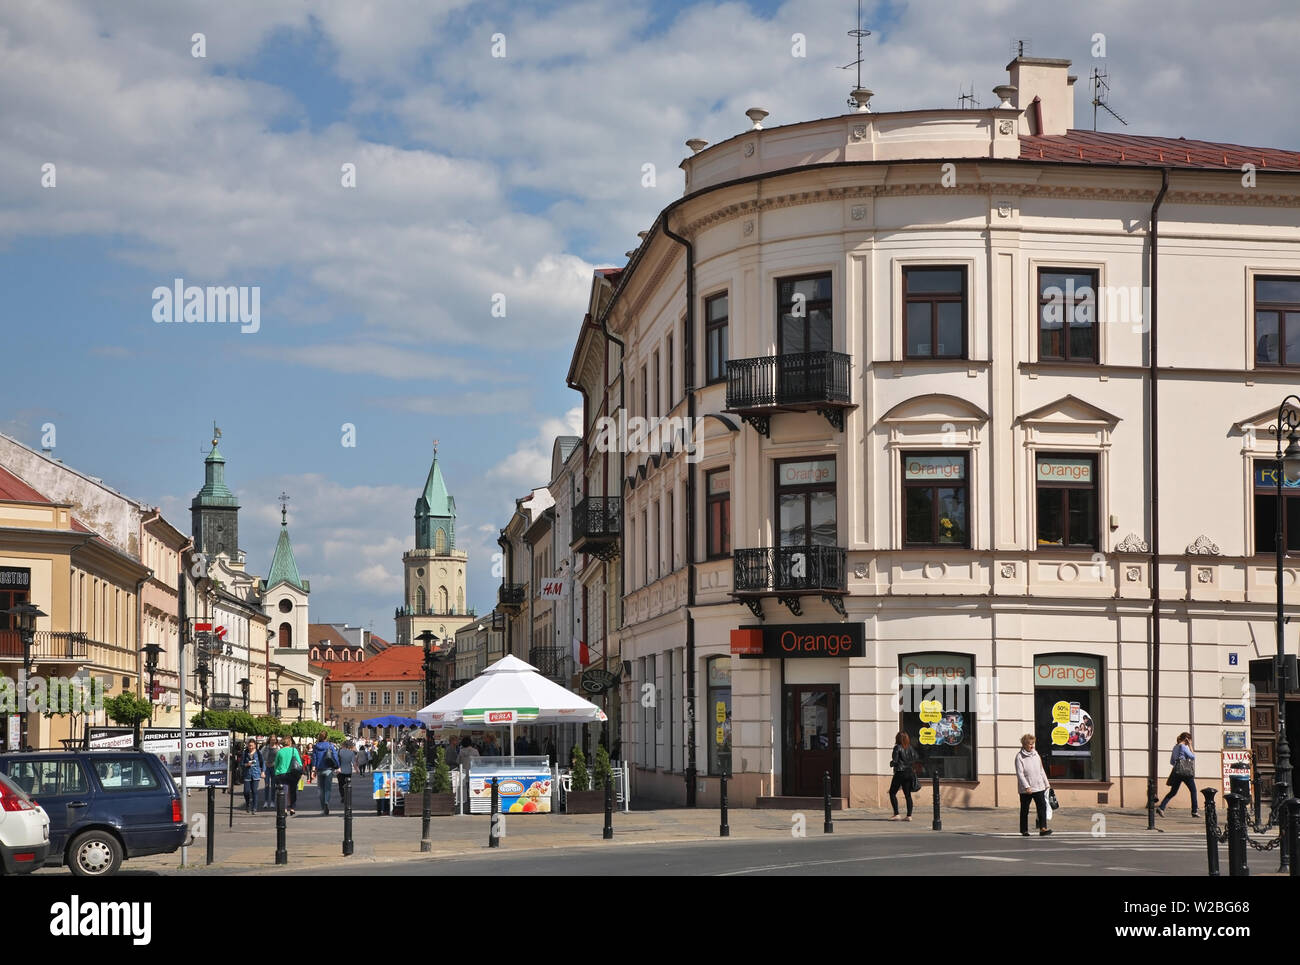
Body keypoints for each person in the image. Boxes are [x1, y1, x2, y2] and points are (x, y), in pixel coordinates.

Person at [1015, 734, 1053, 837]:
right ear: (1024, 744)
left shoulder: (1036, 755)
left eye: (1033, 744)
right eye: (1030, 744)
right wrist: (1027, 787)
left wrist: (1046, 783)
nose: (1032, 746)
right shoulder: (1019, 757)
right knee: (1025, 810)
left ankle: (1043, 828)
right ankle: (1024, 830)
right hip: (1026, 789)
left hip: (1039, 786)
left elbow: (1041, 770)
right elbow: (1020, 774)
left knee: (1042, 807)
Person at [1157, 732, 1199, 818]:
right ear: (1186, 739)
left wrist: (1179, 764)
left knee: (1173, 792)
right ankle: (1194, 811)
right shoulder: (1183, 747)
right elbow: (1193, 757)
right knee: (1193, 791)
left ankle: (1161, 807)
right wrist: (1190, 746)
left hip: (1177, 772)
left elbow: (1172, 762)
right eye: (1189, 740)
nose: (1189, 742)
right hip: (1186, 773)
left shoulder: (1175, 747)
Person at [888, 731, 918, 821]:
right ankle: (909, 816)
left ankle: (896, 814)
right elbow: (916, 757)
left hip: (900, 772)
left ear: (898, 739)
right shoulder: (910, 748)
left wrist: (891, 763)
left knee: (892, 793)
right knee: (907, 795)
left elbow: (895, 760)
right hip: (909, 773)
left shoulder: (897, 747)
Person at [313, 732, 341, 815]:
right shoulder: (330, 745)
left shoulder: (316, 746)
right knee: (327, 788)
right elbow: (335, 756)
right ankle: (326, 802)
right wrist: (338, 766)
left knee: (321, 789)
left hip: (319, 769)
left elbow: (314, 758)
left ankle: (322, 807)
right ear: (326, 737)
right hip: (328, 769)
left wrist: (313, 769)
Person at [273, 739, 303, 815]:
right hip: (292, 773)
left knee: (283, 792)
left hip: (281, 774)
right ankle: (292, 808)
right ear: (290, 743)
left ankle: (284, 809)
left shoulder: (280, 751)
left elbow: (276, 763)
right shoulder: (294, 750)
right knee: (292, 791)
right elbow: (299, 763)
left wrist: (276, 772)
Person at [240, 740, 264, 814]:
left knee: (254, 791)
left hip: (256, 773)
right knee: (246, 792)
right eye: (249, 745)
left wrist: (263, 772)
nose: (250, 747)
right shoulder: (245, 753)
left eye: (252, 745)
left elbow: (262, 762)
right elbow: (241, 763)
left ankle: (254, 808)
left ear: (255, 745)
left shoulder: (258, 753)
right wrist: (246, 765)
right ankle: (248, 804)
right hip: (247, 774)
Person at [261, 738, 280, 809]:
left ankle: (272, 801)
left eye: (274, 739)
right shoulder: (265, 747)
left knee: (273, 785)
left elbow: (279, 757)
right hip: (266, 767)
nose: (273, 741)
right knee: (266, 785)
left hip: (274, 767)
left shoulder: (278, 747)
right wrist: (264, 762)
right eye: (271, 739)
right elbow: (261, 755)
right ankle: (266, 801)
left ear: (276, 740)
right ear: (269, 740)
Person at [337, 740, 356, 809]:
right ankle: (347, 797)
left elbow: (336, 761)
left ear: (343, 745)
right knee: (347, 784)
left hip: (340, 771)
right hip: (348, 771)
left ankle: (343, 796)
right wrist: (357, 770)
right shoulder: (351, 753)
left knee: (340, 784)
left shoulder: (339, 751)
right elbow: (354, 763)